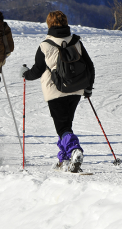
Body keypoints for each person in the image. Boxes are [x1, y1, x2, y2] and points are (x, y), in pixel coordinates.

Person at [20, 10, 95, 173]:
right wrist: (88, 88)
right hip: (76, 89)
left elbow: (37, 71)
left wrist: (25, 74)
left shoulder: (45, 45)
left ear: (49, 24)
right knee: (66, 125)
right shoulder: (76, 42)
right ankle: (64, 158)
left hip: (55, 92)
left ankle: (74, 150)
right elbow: (89, 66)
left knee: (62, 127)